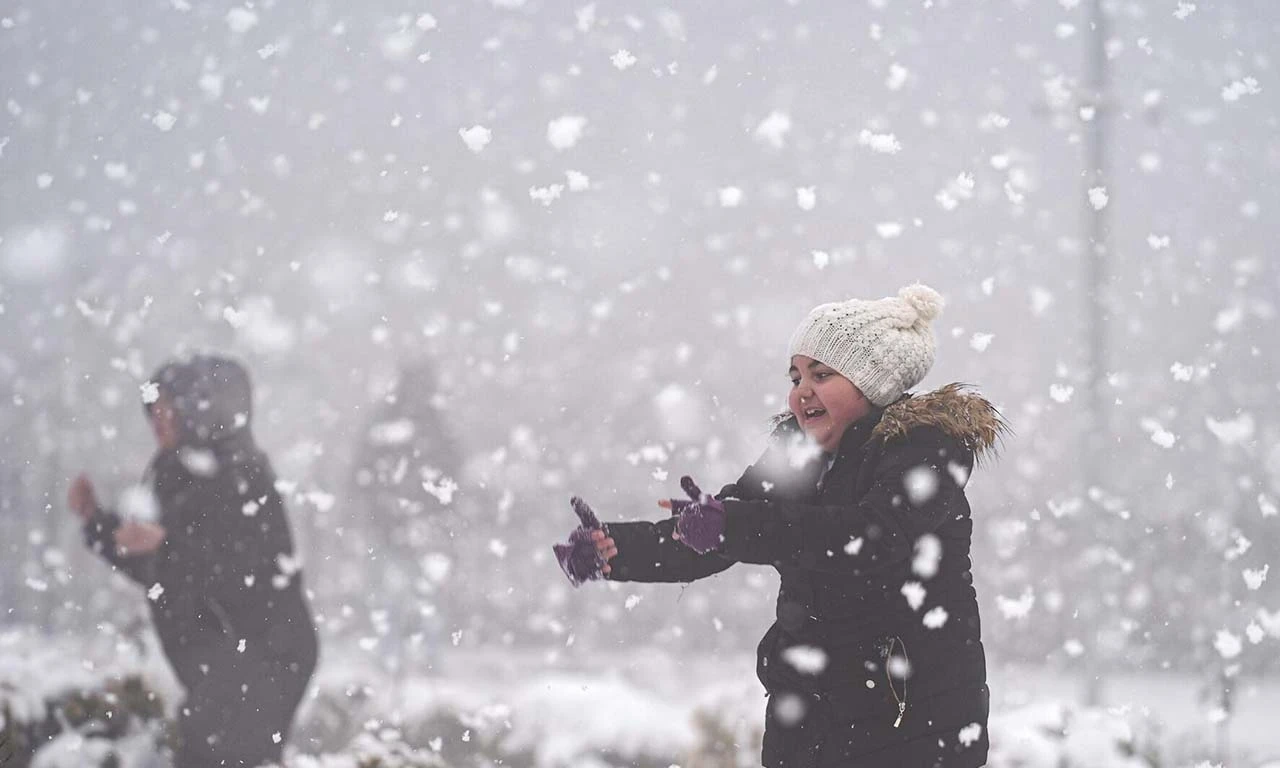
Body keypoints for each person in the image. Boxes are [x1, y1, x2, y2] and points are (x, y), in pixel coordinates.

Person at [554, 284, 1008, 768]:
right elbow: (717, 530)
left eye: (822, 373)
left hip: (911, 728)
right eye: (795, 376)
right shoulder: (799, 457)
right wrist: (616, 550)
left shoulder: (925, 453)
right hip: (808, 723)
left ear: (872, 383)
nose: (801, 391)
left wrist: (734, 523)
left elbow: (868, 537)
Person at [69, 354, 319, 768]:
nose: (158, 422)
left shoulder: (240, 475)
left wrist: (167, 545)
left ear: (199, 410)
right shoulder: (176, 474)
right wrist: (98, 524)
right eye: (152, 413)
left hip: (262, 660)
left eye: (167, 410)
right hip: (223, 667)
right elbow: (163, 571)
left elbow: (246, 573)